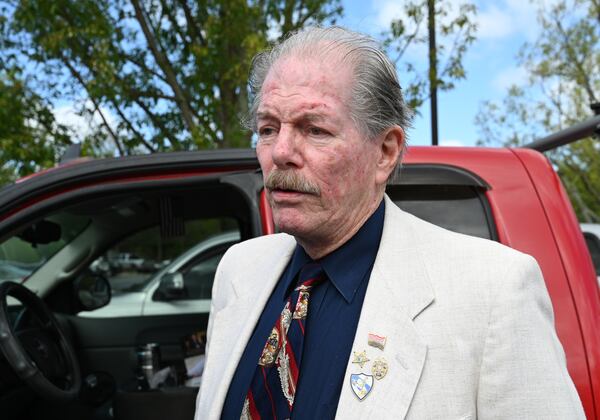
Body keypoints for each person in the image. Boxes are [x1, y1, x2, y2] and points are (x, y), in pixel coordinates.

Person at [195, 26, 584, 419]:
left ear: (385, 151)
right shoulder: (238, 272)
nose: (280, 152)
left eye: (315, 130)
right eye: (267, 129)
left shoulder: (495, 292)